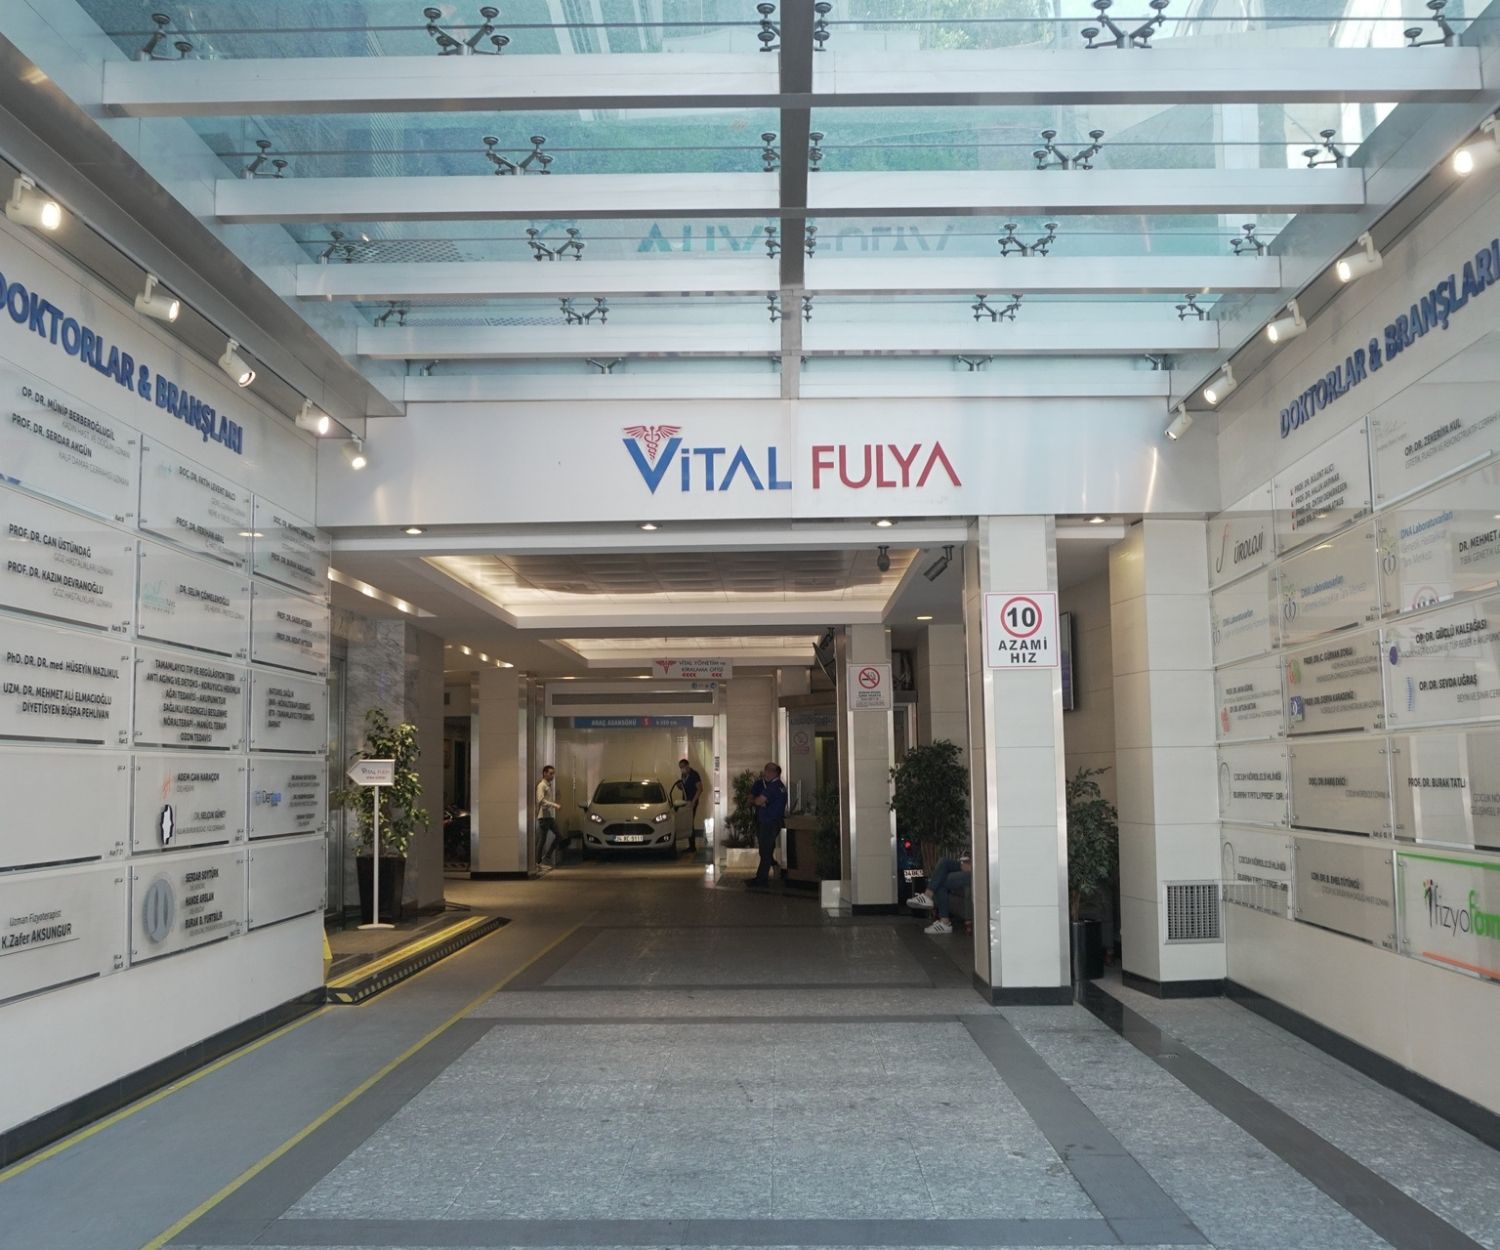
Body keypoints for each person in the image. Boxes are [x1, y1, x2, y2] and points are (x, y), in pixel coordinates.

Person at [745, 761, 787, 889]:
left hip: (768, 822)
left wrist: (755, 801)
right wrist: (762, 802)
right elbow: (763, 802)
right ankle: (760, 878)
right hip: (774, 821)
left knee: (765, 851)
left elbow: (759, 801)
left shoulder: (773, 787)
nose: (765, 773)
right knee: (766, 850)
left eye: (768, 771)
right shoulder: (781, 786)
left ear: (774, 773)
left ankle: (761, 880)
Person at [907, 851, 971, 934]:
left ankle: (943, 920)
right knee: (943, 862)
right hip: (972, 864)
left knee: (940, 880)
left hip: (976, 871)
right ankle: (928, 898)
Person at [535, 764, 561, 867]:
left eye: (553, 774)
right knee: (542, 840)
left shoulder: (548, 786)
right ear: (545, 773)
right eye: (550, 773)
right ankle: (538, 862)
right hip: (543, 817)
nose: (552, 776)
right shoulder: (541, 786)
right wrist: (555, 805)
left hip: (548, 816)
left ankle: (546, 857)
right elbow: (541, 800)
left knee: (558, 836)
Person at [678, 758, 704, 852]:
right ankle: (691, 845)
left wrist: (693, 801)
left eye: (682, 767)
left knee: (690, 823)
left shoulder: (694, 774)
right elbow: (685, 788)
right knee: (688, 823)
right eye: (680, 768)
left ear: (687, 766)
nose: (681, 769)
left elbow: (700, 789)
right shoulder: (683, 775)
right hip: (685, 802)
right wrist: (680, 787)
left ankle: (692, 846)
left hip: (692, 802)